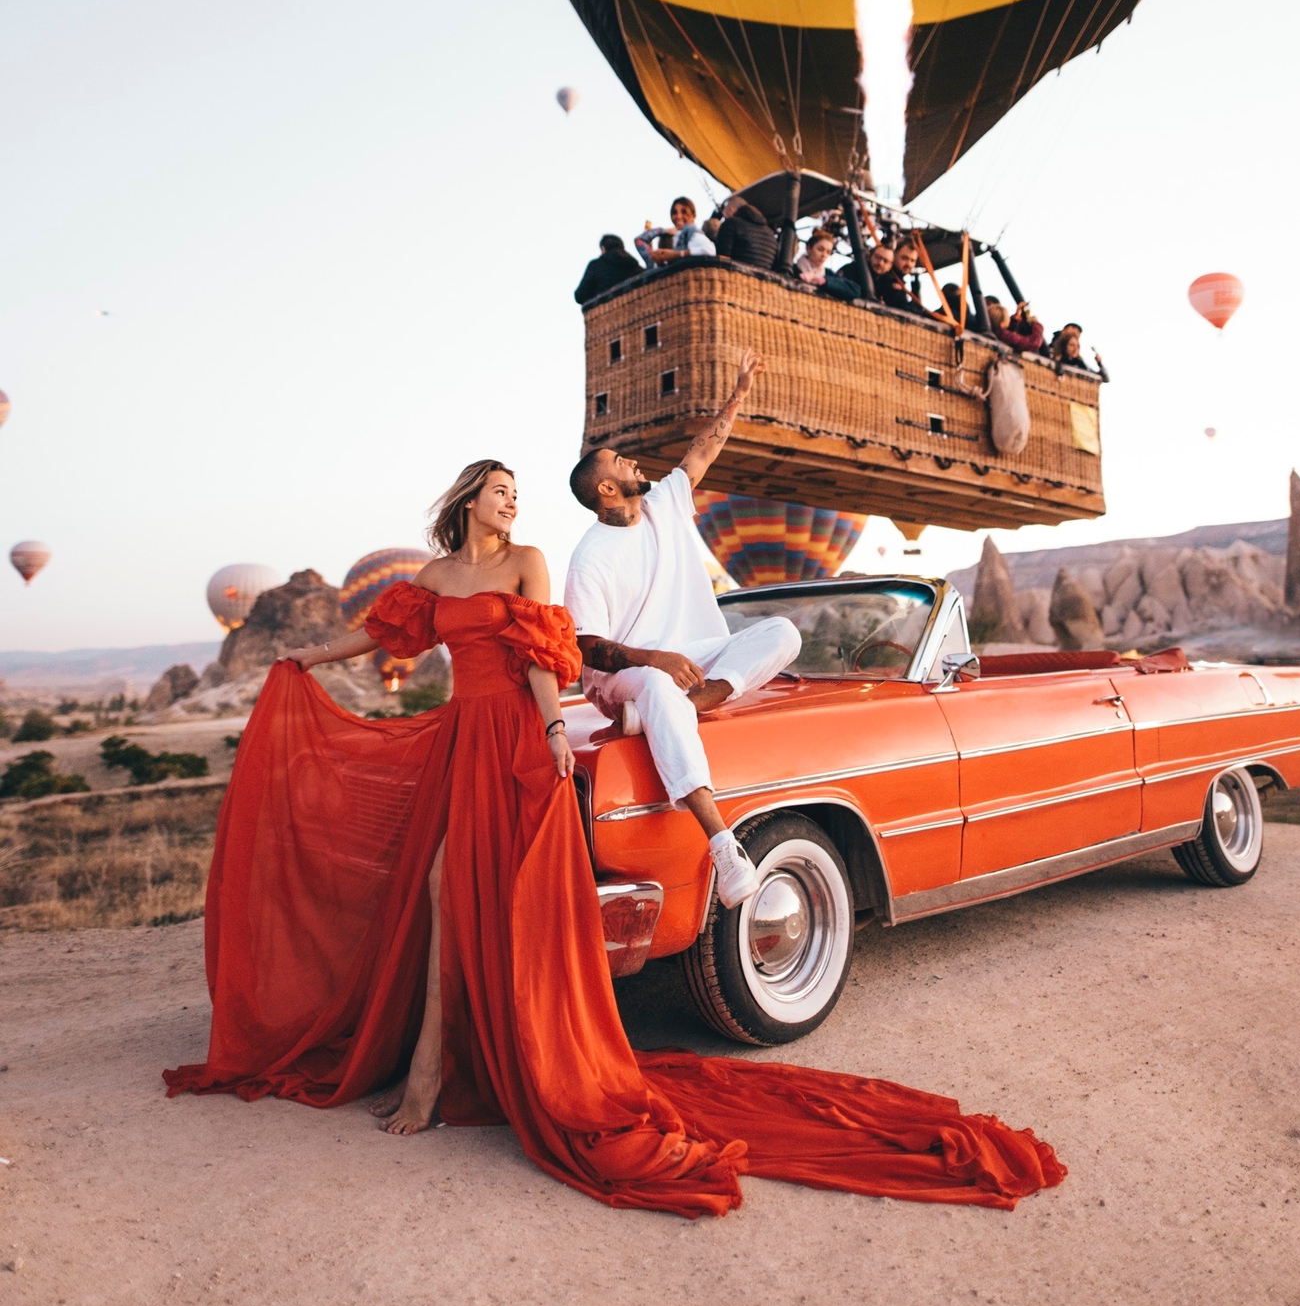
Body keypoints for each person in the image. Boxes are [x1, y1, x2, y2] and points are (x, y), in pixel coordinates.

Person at [164, 459, 1064, 1218]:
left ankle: (464, 1064)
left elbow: (541, 657)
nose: (514, 501)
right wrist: (304, 663)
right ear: (469, 497)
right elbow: (376, 633)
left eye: (520, 490)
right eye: (502, 489)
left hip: (517, 741)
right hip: (456, 741)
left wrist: (555, 730)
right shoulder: (436, 580)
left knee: (498, 892)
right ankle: (431, 1072)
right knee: (439, 890)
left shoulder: (530, 561)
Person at [565, 350, 801, 910]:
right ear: (606, 489)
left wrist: (739, 394)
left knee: (784, 633)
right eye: (623, 462)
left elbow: (703, 451)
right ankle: (723, 844)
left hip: (695, 661)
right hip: (622, 677)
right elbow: (586, 646)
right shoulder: (589, 558)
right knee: (654, 687)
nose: (634, 464)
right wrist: (656, 659)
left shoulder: (664, 504)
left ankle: (687, 705)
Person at [636, 196, 715, 268]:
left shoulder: (690, 231)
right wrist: (665, 231)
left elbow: (709, 250)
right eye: (674, 213)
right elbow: (639, 240)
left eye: (684, 212)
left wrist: (676, 254)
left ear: (693, 215)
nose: (678, 216)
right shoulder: (658, 265)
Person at [714, 193, 778, 270]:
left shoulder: (731, 224)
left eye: (724, 215)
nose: (723, 218)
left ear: (731, 210)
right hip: (762, 281)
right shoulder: (771, 234)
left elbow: (722, 260)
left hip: (734, 278)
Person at [574, 234, 642, 305]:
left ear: (603, 248)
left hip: (607, 311)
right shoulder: (635, 266)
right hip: (637, 310)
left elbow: (579, 296)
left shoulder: (596, 265)